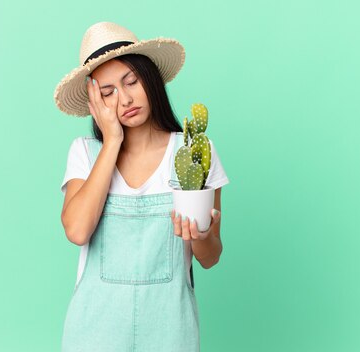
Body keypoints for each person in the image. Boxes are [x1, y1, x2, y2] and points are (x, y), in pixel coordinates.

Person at [54, 21, 229, 351]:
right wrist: (112, 142)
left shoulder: (193, 153)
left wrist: (203, 235)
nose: (124, 99)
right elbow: (77, 231)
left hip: (170, 331)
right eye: (108, 93)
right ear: (96, 104)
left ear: (150, 79)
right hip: (94, 332)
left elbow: (210, 257)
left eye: (131, 81)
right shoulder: (85, 153)